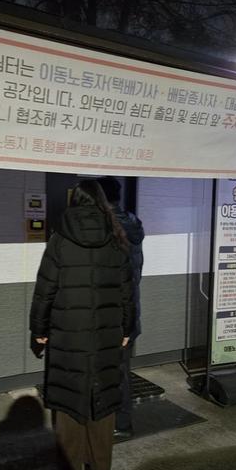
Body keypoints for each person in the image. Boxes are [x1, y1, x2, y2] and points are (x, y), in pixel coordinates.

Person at [29, 179, 135, 470]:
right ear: (102, 201)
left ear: (75, 201)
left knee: (69, 400)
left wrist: (39, 329)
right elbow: (128, 291)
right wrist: (127, 328)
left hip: (68, 333)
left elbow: (45, 289)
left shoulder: (60, 238)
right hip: (106, 334)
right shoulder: (117, 237)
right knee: (103, 398)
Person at [97, 176, 145, 441]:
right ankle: (121, 422)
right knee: (121, 370)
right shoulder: (132, 224)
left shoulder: (106, 228)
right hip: (129, 309)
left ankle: (116, 423)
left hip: (109, 311)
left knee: (108, 371)